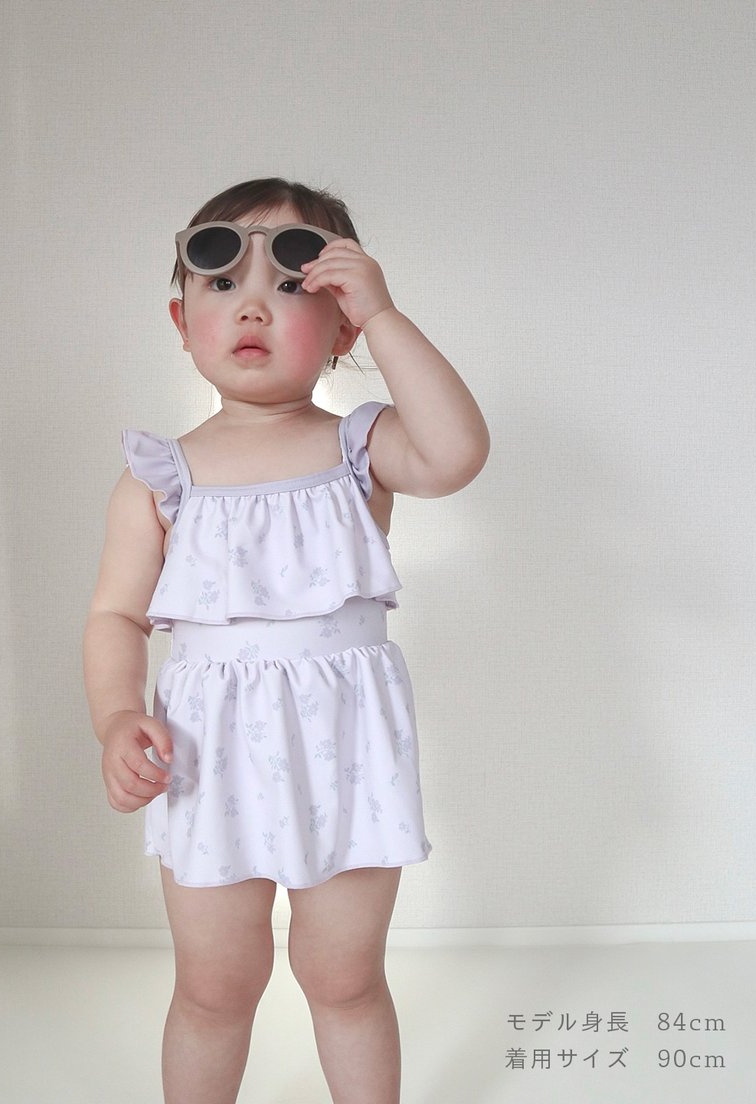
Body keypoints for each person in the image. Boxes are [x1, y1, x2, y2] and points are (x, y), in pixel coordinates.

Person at [83, 177, 490, 1104]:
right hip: (206, 756)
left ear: (341, 328)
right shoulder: (161, 478)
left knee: (344, 979)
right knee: (214, 988)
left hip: (345, 751)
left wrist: (385, 314)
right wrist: (114, 717)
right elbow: (114, 615)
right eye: (223, 282)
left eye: (295, 282)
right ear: (182, 321)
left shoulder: (360, 449)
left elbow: (457, 453)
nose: (254, 304)